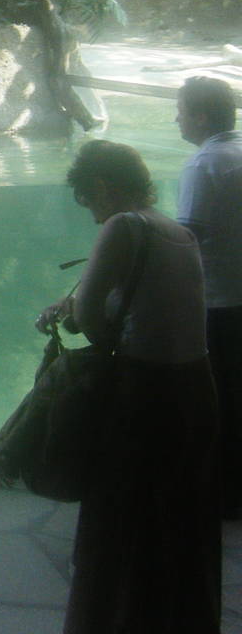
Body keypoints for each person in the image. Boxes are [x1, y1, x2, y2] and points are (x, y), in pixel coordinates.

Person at [36, 140, 218, 634]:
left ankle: (112, 621)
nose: (94, 218)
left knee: (120, 518)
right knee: (176, 517)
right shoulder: (177, 232)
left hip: (144, 394)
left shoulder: (124, 225)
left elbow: (93, 321)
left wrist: (70, 317)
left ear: (102, 187)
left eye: (89, 202)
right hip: (194, 391)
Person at [176, 74, 242, 515]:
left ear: (199, 117)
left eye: (179, 111)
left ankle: (220, 495)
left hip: (219, 305)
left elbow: (186, 239)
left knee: (216, 402)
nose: (176, 120)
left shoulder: (204, 166)